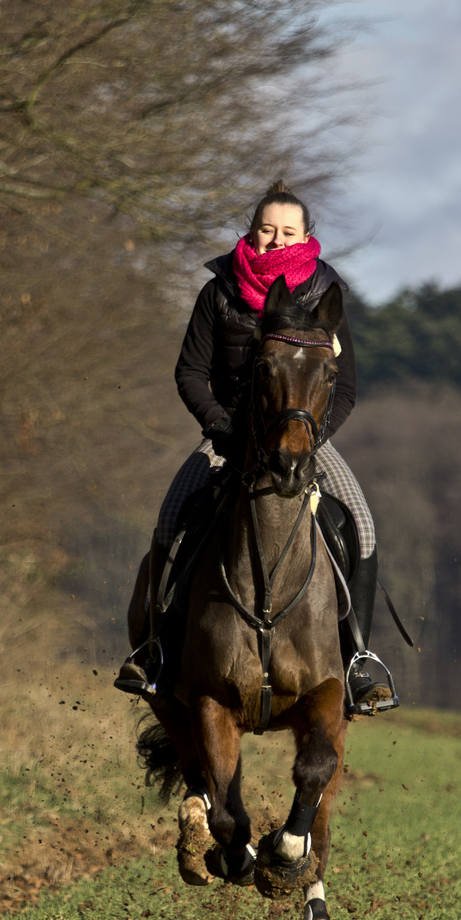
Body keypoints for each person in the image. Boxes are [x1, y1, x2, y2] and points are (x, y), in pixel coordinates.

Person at [115, 180, 393, 711]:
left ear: (306, 236)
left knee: (361, 523)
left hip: (302, 441)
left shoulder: (325, 298)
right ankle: (157, 651)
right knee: (173, 518)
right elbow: (191, 372)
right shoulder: (218, 291)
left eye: (287, 231)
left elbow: (347, 387)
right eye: (267, 229)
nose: (275, 239)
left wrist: (307, 439)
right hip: (227, 439)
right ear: (252, 231)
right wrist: (221, 427)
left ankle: (358, 659)